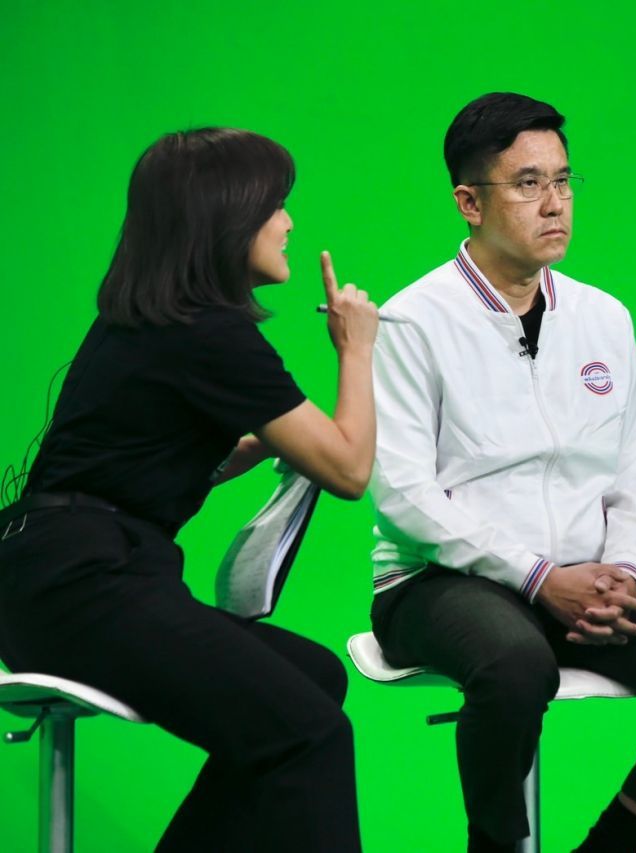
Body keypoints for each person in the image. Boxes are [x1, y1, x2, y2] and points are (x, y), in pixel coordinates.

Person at [369, 92, 636, 853]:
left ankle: (614, 842)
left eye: (562, 180)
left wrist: (626, 574)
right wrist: (537, 577)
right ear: (469, 203)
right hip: (438, 584)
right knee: (517, 667)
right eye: (527, 184)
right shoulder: (411, 322)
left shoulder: (602, 317)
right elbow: (403, 495)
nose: (554, 203)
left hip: (582, 582)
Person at [0, 128, 379, 851]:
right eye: (276, 205)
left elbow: (140, 467)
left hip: (50, 578)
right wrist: (355, 348)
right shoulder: (211, 334)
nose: (288, 222)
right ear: (228, 217)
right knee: (311, 733)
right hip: (86, 584)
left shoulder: (151, 319)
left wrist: (257, 444)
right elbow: (349, 469)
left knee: (312, 679)